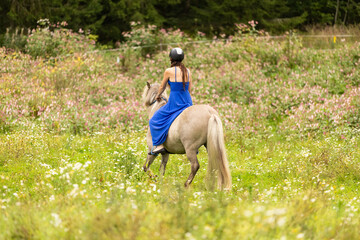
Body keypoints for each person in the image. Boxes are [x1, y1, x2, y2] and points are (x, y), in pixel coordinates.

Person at [149, 47, 193, 155]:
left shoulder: (168, 71)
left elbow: (162, 87)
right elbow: (190, 89)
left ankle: (158, 145)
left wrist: (158, 96)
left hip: (175, 102)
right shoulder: (187, 71)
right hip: (187, 102)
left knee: (154, 120)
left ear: (171, 59)